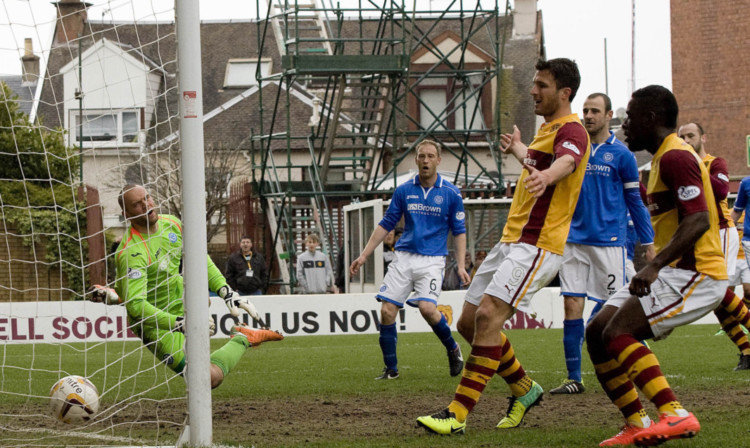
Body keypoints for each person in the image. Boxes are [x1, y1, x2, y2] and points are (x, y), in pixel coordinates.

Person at [417, 58, 589, 434]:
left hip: (538, 244)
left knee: (488, 316)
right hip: (512, 240)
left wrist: (547, 174)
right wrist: (519, 151)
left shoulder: (573, 130)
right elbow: (541, 160)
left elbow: (568, 162)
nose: (533, 91)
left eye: (541, 85)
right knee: (467, 323)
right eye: (534, 83)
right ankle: (524, 389)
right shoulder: (548, 131)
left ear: (564, 93)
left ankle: (458, 414)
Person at [586, 85, 727, 446]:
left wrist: (654, 266)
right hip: (675, 269)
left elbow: (699, 220)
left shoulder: (676, 157)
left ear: (651, 119)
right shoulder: (662, 158)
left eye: (630, 118)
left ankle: (674, 413)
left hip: (697, 272)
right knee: (598, 331)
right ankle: (636, 423)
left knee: (618, 332)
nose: (624, 126)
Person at [89, 184, 283, 389]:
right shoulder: (130, 252)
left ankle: (115, 295)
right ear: (126, 214)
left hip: (182, 299)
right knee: (207, 380)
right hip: (156, 325)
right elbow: (136, 307)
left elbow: (200, 260)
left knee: (201, 300)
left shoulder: (172, 224)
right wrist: (180, 323)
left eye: (147, 198)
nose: (146, 205)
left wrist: (226, 292)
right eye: (137, 204)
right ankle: (243, 338)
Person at [552, 92, 654, 395]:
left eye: (595, 111)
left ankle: (640, 361)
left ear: (609, 115)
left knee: (618, 310)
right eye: (585, 110)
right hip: (573, 241)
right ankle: (574, 378)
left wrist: (648, 241)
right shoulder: (574, 151)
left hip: (609, 243)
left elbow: (635, 201)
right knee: (571, 305)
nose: (588, 115)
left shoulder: (622, 155)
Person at [350, 139, 470, 380]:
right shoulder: (404, 190)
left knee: (427, 309)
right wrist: (363, 255)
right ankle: (391, 369)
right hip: (404, 257)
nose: (425, 161)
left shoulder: (451, 193)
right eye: (421, 156)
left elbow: (459, 231)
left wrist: (460, 265)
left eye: (430, 156)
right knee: (386, 311)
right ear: (416, 160)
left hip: (433, 260)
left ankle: (453, 348)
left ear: (438, 160)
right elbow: (386, 224)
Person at [680, 121, 750, 371]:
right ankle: (746, 350)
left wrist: (693, 166)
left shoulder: (715, 163)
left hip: (721, 231)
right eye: (682, 137)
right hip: (699, 235)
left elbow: (721, 190)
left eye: (691, 136)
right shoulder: (680, 169)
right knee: (715, 298)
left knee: (719, 292)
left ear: (702, 138)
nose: (686, 140)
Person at [730, 179, 750, 370]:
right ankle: (746, 352)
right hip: (740, 250)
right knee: (722, 299)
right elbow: (735, 213)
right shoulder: (746, 184)